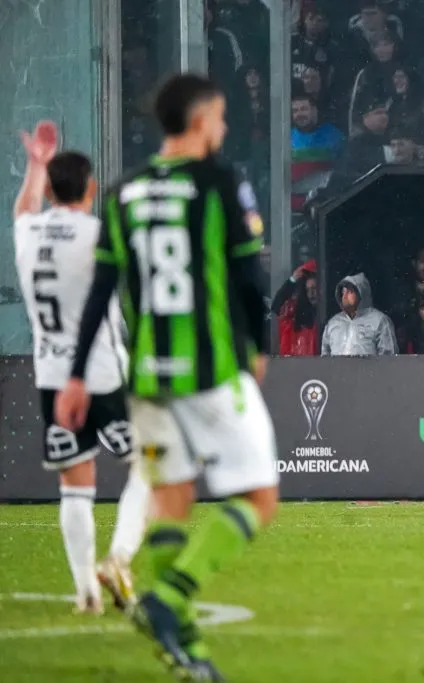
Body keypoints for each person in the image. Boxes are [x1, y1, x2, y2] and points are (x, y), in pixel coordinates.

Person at [56, 73, 277, 681]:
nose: (224, 129)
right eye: (222, 118)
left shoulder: (122, 194)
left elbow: (101, 290)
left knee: (170, 500)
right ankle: (170, 595)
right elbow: (250, 276)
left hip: (147, 376)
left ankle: (184, 647)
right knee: (259, 497)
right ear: (202, 119)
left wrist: (75, 377)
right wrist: (259, 345)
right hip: (211, 371)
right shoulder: (221, 183)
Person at [12, 122, 150, 616]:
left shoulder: (27, 232)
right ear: (90, 189)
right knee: (150, 464)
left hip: (50, 376)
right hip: (101, 372)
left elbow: (23, 208)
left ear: (50, 189)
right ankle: (117, 558)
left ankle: (84, 592)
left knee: (76, 484)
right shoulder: (98, 233)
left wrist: (35, 165)